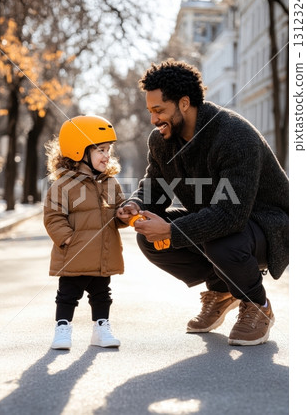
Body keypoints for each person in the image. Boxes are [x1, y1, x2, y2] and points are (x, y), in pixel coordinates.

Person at [116, 59, 289, 347]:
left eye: (159, 110)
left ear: (184, 103)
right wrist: (135, 206)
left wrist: (172, 231)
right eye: (150, 111)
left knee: (219, 240)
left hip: (270, 225)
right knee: (149, 237)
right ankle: (223, 290)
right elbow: (154, 189)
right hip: (223, 222)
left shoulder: (234, 135)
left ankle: (257, 305)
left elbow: (230, 215)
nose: (153, 119)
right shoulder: (161, 140)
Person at [44, 115, 126, 350]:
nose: (106, 155)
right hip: (74, 253)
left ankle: (101, 329)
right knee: (67, 295)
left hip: (103, 253)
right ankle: (62, 328)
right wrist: (69, 240)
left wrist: (123, 214)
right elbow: (53, 217)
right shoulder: (63, 185)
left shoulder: (110, 183)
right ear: (80, 151)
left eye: (108, 150)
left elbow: (116, 212)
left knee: (102, 294)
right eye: (100, 149)